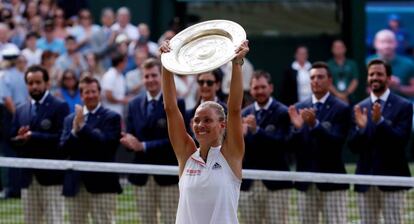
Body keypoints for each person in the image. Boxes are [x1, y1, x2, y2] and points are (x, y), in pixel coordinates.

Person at [160, 39, 248, 223]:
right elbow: (170, 108)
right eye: (197, 120)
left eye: (207, 120)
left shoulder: (231, 154)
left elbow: (234, 109)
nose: (200, 125)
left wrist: (237, 63)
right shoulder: (186, 155)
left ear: (222, 125)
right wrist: (166, 64)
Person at [120, 58, 184, 223]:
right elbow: (130, 135)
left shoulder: (177, 103)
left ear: (161, 76)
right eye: (146, 76)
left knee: (171, 220)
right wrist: (128, 141)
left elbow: (177, 140)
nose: (150, 80)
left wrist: (144, 146)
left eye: (154, 75)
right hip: (141, 176)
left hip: (167, 175)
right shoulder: (133, 104)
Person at [348, 59, 412, 224]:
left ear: (389, 78)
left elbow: (400, 141)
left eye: (379, 74)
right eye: (371, 74)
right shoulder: (359, 107)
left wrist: (380, 122)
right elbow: (353, 147)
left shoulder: (404, 106)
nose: (375, 77)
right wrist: (362, 129)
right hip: (365, 179)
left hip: (393, 178)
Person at [288, 62, 351, 223]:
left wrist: (314, 125)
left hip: (333, 181)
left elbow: (337, 142)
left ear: (330, 81)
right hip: (306, 181)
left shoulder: (342, 108)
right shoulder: (299, 107)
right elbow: (290, 146)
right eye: (313, 77)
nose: (316, 80)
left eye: (320, 77)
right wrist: (297, 129)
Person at [11, 65, 69, 223]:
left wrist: (34, 136)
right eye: (30, 83)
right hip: (28, 178)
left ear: (47, 83)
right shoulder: (20, 110)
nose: (34, 86)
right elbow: (13, 139)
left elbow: (62, 139)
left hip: (52, 178)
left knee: (54, 220)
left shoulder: (60, 106)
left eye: (38, 82)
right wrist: (19, 138)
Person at [60, 76, 122, 223]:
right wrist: (74, 131)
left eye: (94, 91)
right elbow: (63, 149)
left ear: (99, 93)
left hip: (103, 183)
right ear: (81, 95)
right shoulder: (69, 120)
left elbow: (106, 145)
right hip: (76, 183)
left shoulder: (112, 117)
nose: (91, 95)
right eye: (87, 92)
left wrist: (83, 127)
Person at [239, 70, 292, 224]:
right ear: (251, 90)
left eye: (263, 87)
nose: (260, 91)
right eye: (256, 88)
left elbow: (283, 144)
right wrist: (239, 138)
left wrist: (257, 131)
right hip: (249, 184)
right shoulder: (243, 114)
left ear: (271, 88)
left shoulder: (283, 112)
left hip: (276, 184)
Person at [367, 29, 414, 100]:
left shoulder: (408, 63)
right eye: (382, 42)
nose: (386, 45)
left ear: (396, 43)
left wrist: (398, 87)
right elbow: (361, 90)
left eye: (390, 42)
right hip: (375, 107)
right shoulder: (366, 63)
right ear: (375, 43)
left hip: (402, 107)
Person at [327, 39, 360, 104]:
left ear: (345, 49)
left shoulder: (352, 64)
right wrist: (338, 94)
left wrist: (346, 94)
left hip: (350, 98)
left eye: (340, 47)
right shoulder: (328, 65)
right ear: (332, 49)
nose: (338, 49)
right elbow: (327, 82)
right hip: (333, 99)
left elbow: (355, 80)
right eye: (336, 47)